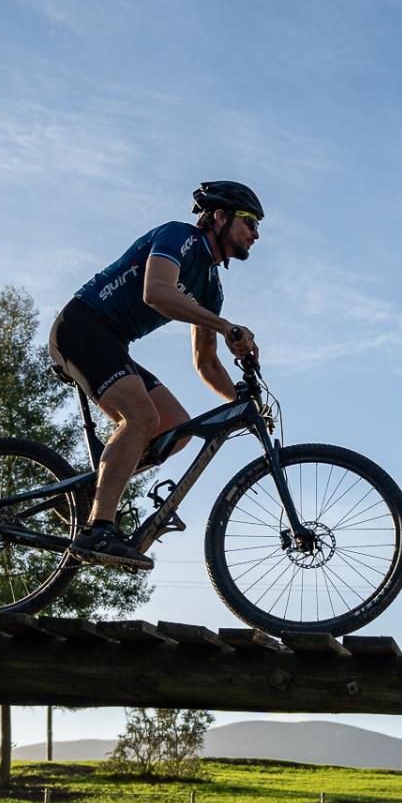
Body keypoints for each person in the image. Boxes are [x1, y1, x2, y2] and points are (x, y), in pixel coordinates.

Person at [48, 181, 262, 570]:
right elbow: (156, 292)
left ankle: (94, 490)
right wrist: (225, 326)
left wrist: (241, 403)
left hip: (113, 342)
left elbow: (206, 363)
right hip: (82, 326)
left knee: (175, 429)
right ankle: (98, 529)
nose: (256, 234)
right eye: (250, 222)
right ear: (220, 216)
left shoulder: (211, 288)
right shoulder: (179, 236)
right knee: (142, 416)